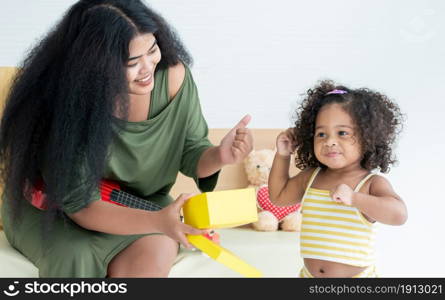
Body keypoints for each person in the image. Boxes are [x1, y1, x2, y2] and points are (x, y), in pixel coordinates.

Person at [0, 0, 253, 277]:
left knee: (155, 250)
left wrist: (220, 155)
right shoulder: (68, 102)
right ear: (95, 66)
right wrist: (157, 221)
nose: (147, 69)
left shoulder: (173, 79)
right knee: (77, 254)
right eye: (132, 62)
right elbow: (79, 205)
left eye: (152, 50)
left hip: (143, 204)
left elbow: (191, 150)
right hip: (56, 211)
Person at [268, 80, 407, 278]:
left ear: (367, 137)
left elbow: (399, 215)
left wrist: (355, 198)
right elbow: (279, 197)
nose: (330, 141)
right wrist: (282, 155)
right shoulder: (311, 176)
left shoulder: (369, 183)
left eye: (342, 133)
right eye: (321, 134)